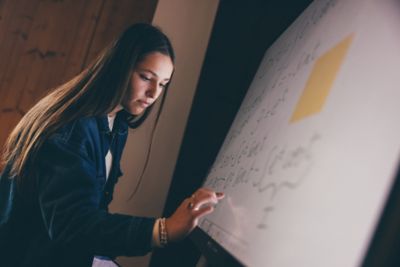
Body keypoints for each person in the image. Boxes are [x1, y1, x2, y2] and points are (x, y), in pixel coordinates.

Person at [0, 23, 224, 267]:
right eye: (146, 77)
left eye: (162, 84)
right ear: (119, 68)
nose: (153, 94)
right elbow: (72, 225)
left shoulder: (115, 124)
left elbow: (93, 211)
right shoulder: (72, 128)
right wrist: (164, 230)